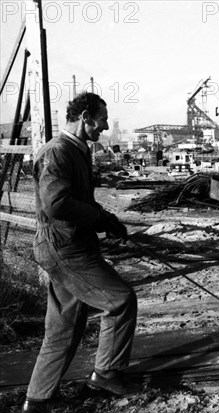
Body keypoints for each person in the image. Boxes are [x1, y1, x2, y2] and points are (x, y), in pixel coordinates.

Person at [23, 92, 140, 413]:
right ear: (86, 116)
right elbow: (56, 203)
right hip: (65, 249)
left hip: (72, 246)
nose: (104, 125)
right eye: (101, 118)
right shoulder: (57, 152)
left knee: (65, 325)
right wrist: (100, 218)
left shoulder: (77, 151)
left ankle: (38, 399)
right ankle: (106, 373)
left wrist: (107, 219)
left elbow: (77, 200)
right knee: (119, 300)